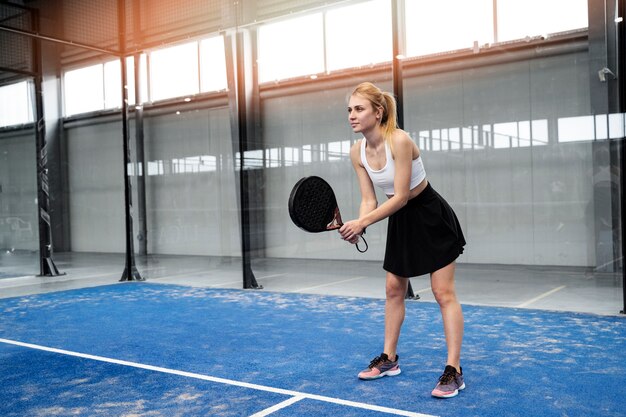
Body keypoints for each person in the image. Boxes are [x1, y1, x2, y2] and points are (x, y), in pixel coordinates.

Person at [338, 82, 466, 399]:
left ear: (377, 112)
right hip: (399, 218)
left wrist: (363, 222)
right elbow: (369, 199)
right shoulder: (357, 152)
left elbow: (403, 196)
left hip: (429, 214)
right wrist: (359, 226)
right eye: (350, 110)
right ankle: (389, 360)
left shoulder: (399, 140)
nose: (352, 116)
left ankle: (454, 370)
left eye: (359, 109)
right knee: (393, 289)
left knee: (442, 291)